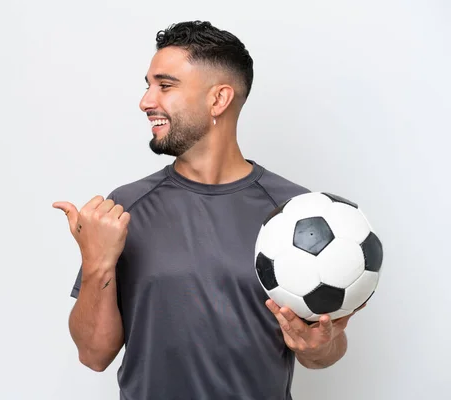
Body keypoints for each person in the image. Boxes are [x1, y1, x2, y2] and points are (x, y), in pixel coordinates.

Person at [53, 20, 363, 400]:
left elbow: (323, 353)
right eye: (148, 85)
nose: (146, 101)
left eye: (164, 86)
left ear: (218, 99)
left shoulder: (295, 215)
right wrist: (96, 262)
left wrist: (319, 346)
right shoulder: (125, 208)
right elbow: (93, 354)